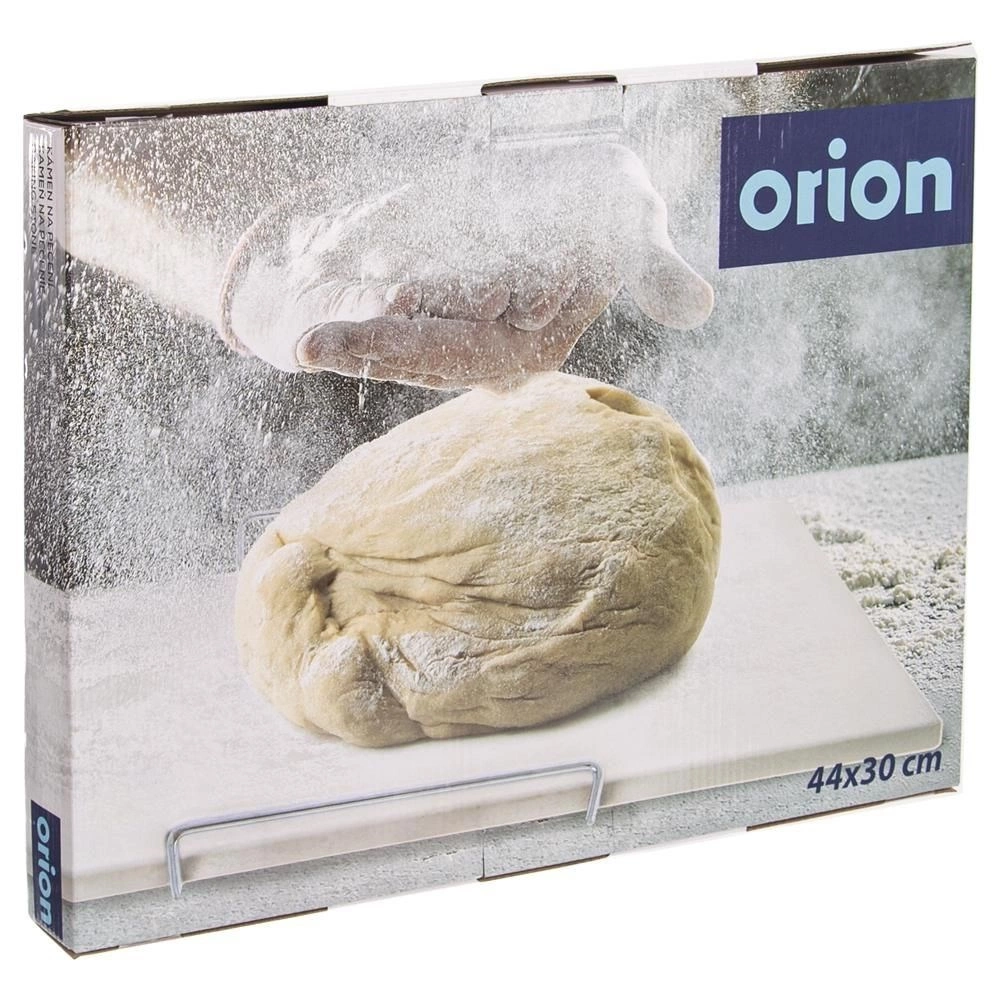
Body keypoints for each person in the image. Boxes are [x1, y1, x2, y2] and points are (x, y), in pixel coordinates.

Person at [70, 138, 712, 391]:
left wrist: (621, 150)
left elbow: (737, 87)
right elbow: (56, 153)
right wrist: (263, 258)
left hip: (603, 321)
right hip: (261, 411)